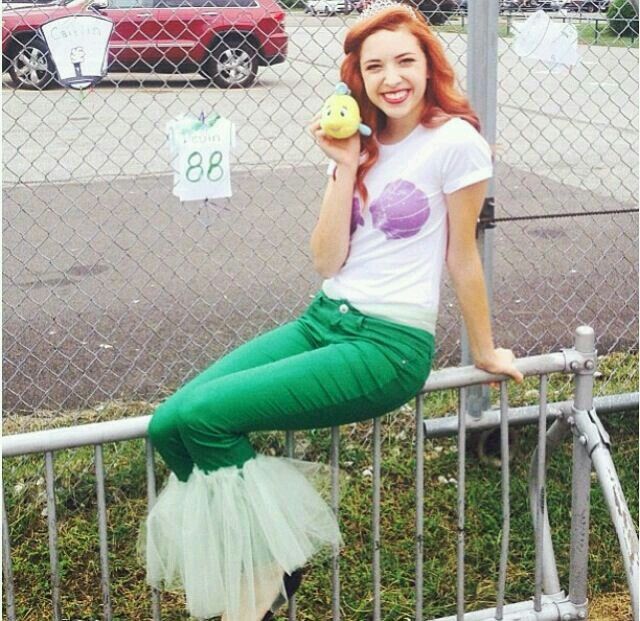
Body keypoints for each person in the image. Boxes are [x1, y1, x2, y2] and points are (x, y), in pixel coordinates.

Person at [139, 3, 524, 620]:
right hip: (323, 321)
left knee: (208, 418)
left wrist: (483, 349)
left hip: (386, 347)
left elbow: (463, 258)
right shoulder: (358, 144)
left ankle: (270, 561)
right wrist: (344, 168)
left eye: (405, 61)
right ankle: (260, 557)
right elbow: (325, 260)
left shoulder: (455, 142)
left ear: (429, 65)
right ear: (358, 76)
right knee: (168, 425)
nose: (391, 77)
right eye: (375, 66)